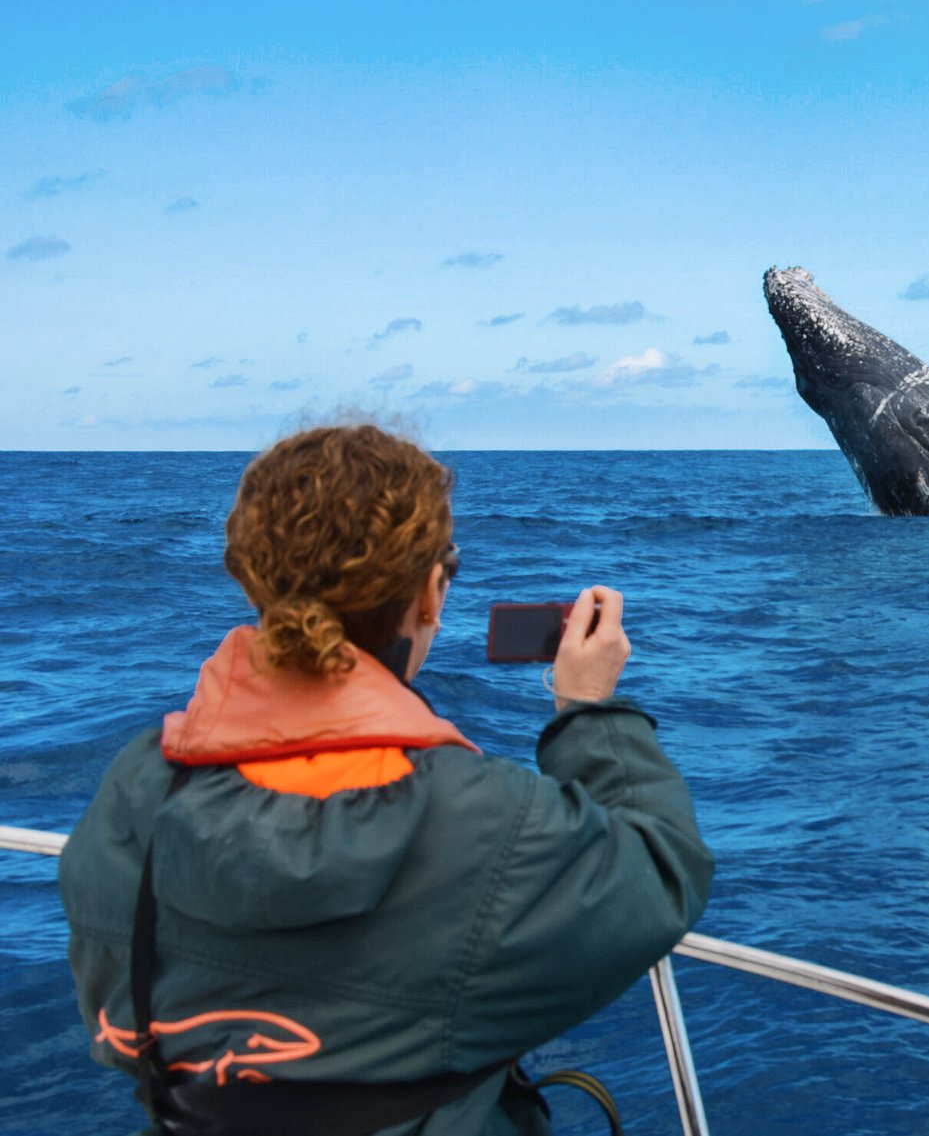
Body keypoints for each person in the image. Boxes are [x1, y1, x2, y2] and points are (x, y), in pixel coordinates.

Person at [59, 423, 714, 1135]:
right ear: (430, 593)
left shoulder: (140, 784)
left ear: (254, 573)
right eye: (447, 567)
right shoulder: (480, 818)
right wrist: (588, 711)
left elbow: (116, 1013)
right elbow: (659, 870)